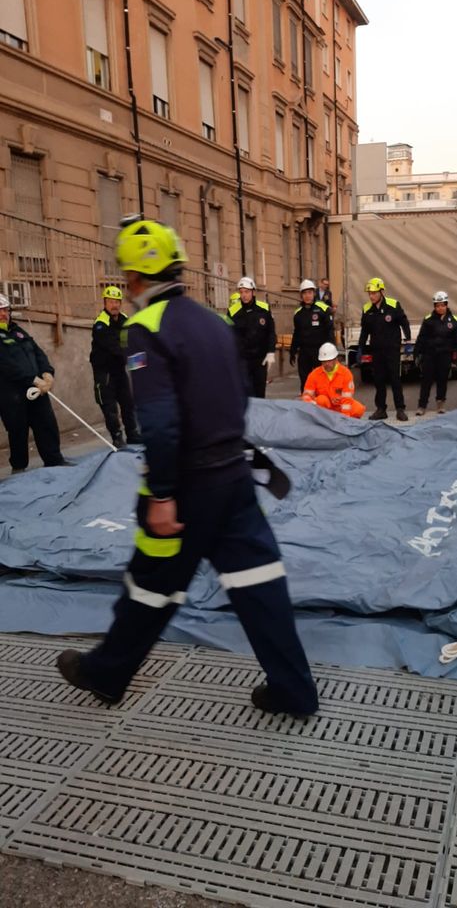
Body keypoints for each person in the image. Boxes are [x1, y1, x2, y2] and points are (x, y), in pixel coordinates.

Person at [56, 219, 318, 716]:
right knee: (259, 583)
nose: (126, 286)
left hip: (188, 487)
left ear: (138, 277)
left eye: (128, 275)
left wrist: (161, 494)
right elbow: (239, 394)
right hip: (233, 478)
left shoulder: (146, 329)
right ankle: (294, 689)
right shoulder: (212, 321)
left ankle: (107, 672)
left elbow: (159, 420)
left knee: (151, 581)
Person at [0, 293, 71, 473]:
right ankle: (18, 467)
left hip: (37, 389)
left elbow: (38, 352)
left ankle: (54, 460)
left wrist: (47, 373)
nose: (3, 314)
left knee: (46, 424)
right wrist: (33, 379)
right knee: (18, 431)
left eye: (6, 310)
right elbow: (6, 364)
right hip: (12, 395)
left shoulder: (18, 330)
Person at [90, 285, 141, 448]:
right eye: (111, 301)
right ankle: (117, 438)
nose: (115, 305)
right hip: (104, 373)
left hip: (119, 370)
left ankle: (132, 434)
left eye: (117, 301)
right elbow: (115, 348)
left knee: (128, 403)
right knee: (110, 408)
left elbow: (133, 339)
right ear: (105, 302)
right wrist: (136, 359)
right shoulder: (100, 324)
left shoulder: (125, 319)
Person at [357, 276, 411, 421]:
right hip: (377, 350)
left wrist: (407, 337)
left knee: (395, 380)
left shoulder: (393, 305)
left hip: (392, 349)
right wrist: (360, 348)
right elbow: (364, 331)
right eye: (370, 293)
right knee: (379, 381)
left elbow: (403, 321)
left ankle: (400, 409)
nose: (371, 296)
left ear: (381, 291)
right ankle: (381, 409)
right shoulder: (367, 309)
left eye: (374, 293)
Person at [414, 290, 457, 415]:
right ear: (434, 306)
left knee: (442, 380)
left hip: (445, 355)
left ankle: (440, 404)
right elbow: (421, 338)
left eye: (442, 305)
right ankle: (422, 406)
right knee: (426, 381)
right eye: (437, 305)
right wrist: (417, 353)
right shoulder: (428, 320)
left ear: (447, 305)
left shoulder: (454, 320)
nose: (440, 308)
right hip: (429, 355)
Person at [226, 276, 277, 398]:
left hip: (260, 360)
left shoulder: (264, 308)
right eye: (241, 292)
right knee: (245, 395)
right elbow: (229, 336)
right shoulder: (233, 311)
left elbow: (271, 332)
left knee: (259, 394)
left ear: (253, 292)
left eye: (247, 292)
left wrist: (271, 352)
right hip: (243, 361)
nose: (244, 295)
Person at [289, 279, 335, 393]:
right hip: (304, 353)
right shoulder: (298, 314)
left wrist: (332, 353)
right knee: (305, 382)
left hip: (321, 353)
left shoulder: (323, 309)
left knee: (323, 382)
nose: (307, 296)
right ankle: (306, 406)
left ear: (314, 293)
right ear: (301, 295)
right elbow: (297, 334)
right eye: (304, 293)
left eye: (309, 292)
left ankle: (323, 406)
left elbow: (330, 331)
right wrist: (292, 351)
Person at [302, 342, 365, 418]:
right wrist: (315, 405)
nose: (327, 364)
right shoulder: (314, 374)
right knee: (321, 400)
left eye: (329, 360)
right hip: (324, 409)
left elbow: (347, 399)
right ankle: (324, 422)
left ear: (336, 359)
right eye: (324, 361)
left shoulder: (345, 373)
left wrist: (345, 419)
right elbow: (306, 396)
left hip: (340, 407)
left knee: (358, 409)